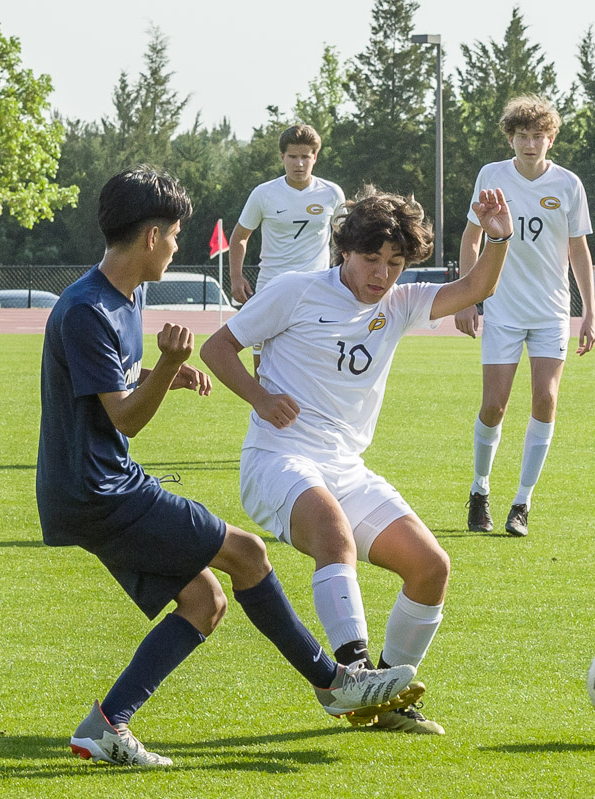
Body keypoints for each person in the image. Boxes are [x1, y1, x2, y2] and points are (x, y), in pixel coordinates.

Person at [37, 166, 416, 769]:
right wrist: (165, 367)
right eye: (176, 234)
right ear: (152, 235)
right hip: (97, 488)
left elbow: (105, 390)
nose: (179, 245)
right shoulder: (88, 309)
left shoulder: (120, 296)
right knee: (248, 555)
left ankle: (106, 726)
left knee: (204, 601)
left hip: (91, 486)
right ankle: (334, 682)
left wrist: (160, 373)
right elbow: (127, 421)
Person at [202, 186, 514, 735]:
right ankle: (356, 674)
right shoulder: (295, 291)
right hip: (278, 458)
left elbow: (476, 286)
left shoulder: (399, 303)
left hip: (345, 468)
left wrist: (498, 235)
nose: (382, 274)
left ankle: (386, 700)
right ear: (344, 250)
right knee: (334, 534)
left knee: (430, 567)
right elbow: (217, 349)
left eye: (395, 263)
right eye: (372, 259)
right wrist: (260, 397)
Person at [453, 94, 595, 538]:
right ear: (510, 138)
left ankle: (522, 502)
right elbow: (471, 237)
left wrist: (589, 311)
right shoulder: (491, 176)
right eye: (521, 136)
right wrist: (466, 298)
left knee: (545, 400)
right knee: (494, 405)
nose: (530, 144)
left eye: (538, 136)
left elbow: (578, 249)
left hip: (551, 312)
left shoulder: (569, 184)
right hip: (502, 309)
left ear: (550, 139)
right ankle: (480, 491)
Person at [228, 124, 346, 375]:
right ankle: (263, 412)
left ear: (315, 157)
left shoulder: (332, 193)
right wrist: (236, 278)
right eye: (293, 156)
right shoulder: (264, 193)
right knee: (263, 365)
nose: (299, 163)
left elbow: (345, 240)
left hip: (316, 289)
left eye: (305, 156)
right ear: (282, 157)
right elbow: (240, 236)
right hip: (271, 287)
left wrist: (342, 278)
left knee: (314, 362)